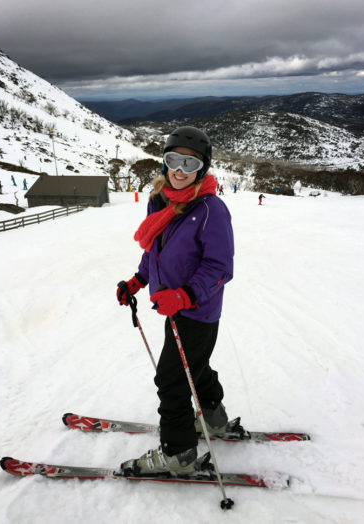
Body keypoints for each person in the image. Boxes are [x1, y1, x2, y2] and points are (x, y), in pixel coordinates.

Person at [117, 126, 235, 476]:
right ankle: (213, 420)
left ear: (203, 168)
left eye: (190, 162)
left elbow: (220, 267)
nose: (180, 169)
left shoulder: (211, 209)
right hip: (173, 307)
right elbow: (155, 249)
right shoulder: (161, 202)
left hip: (198, 311)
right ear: (164, 162)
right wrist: (138, 280)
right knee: (194, 368)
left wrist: (185, 295)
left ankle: (179, 453)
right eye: (173, 159)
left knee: (171, 380)